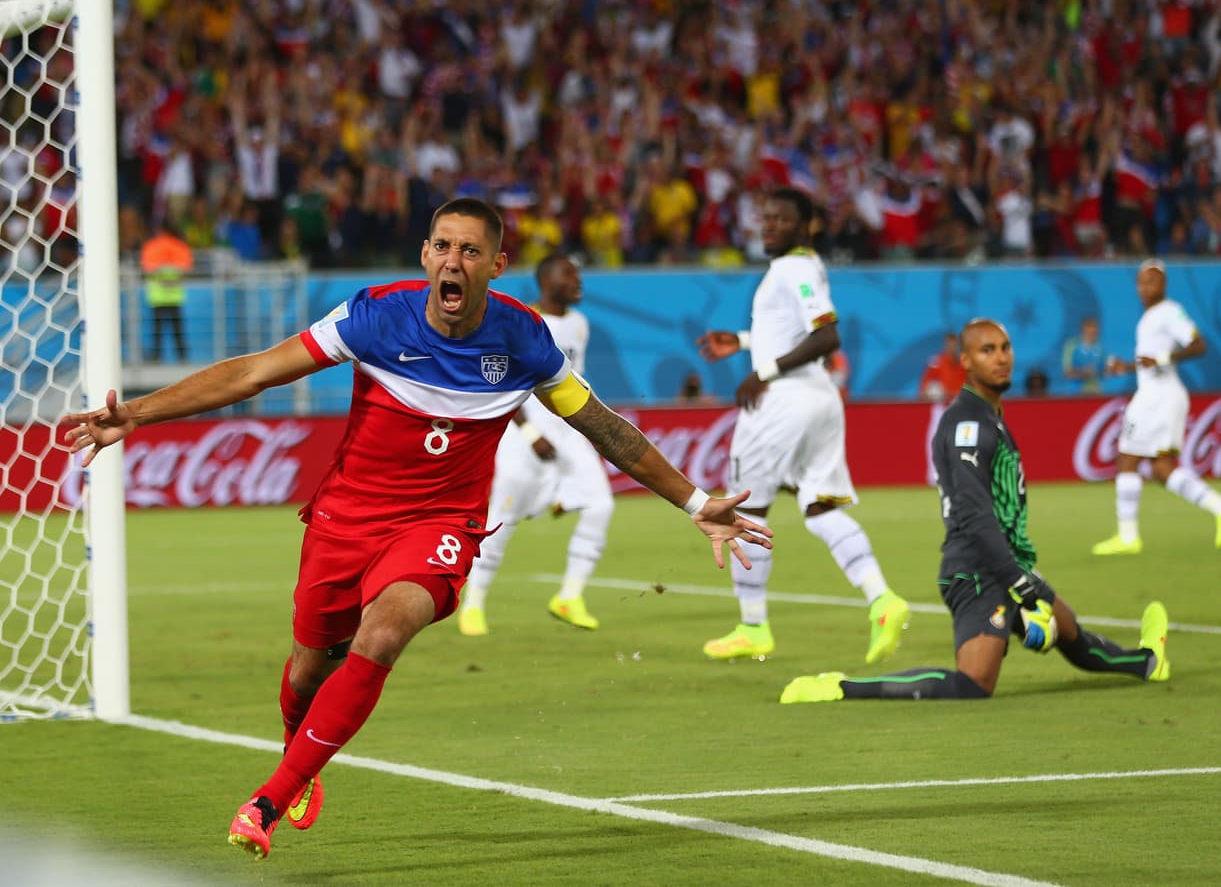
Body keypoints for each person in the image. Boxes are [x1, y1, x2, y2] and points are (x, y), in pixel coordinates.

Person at [63, 198, 772, 861]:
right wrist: (139, 412)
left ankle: (265, 802)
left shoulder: (526, 340)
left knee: (382, 632)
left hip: (439, 523)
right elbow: (254, 372)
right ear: (426, 253)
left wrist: (694, 499)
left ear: (496, 264)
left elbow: (604, 426)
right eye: (442, 246)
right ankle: (299, 751)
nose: (453, 261)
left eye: (470, 249)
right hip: (346, 517)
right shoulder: (375, 317)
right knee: (310, 662)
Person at [779, 318, 1171, 704]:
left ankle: (1149, 660)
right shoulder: (967, 424)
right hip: (977, 570)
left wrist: (1022, 581)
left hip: (1007, 563)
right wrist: (1021, 587)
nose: (1000, 358)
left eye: (1005, 348)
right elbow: (975, 516)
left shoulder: (989, 417)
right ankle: (840, 688)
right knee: (974, 683)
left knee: (1073, 638)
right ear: (965, 361)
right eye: (987, 350)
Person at [695, 187, 910, 664]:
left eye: (780, 219)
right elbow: (793, 330)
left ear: (805, 225)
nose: (768, 225)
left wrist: (763, 371)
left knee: (741, 510)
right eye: (765, 217)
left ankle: (753, 626)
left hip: (784, 403)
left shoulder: (792, 267)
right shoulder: (805, 267)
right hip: (820, 400)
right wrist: (747, 339)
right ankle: (883, 600)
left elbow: (827, 336)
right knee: (820, 508)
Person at [456, 253, 613, 635]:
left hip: (567, 431)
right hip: (524, 434)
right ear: (546, 281)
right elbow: (501, 384)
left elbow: (575, 381)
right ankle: (473, 604)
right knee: (500, 522)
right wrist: (530, 433)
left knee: (600, 504)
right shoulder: (523, 321)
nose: (578, 281)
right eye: (569, 274)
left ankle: (569, 596)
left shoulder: (579, 324)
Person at [1092, 260, 1221, 555]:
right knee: (1161, 469)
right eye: (1141, 282)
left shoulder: (1169, 311)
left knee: (1127, 458)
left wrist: (1162, 359)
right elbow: (1150, 359)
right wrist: (1127, 366)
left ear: (1163, 285)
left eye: (1152, 281)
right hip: (1158, 394)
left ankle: (1127, 537)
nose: (1145, 288)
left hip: (1158, 397)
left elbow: (1198, 345)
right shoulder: (1150, 317)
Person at [140, 218, 194, 361]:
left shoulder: (151, 246)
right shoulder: (180, 246)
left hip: (157, 295)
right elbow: (187, 267)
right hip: (175, 294)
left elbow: (146, 267)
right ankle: (182, 357)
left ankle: (156, 357)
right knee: (178, 329)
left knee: (157, 329)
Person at [1060, 315, 1106, 394]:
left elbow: (1104, 372)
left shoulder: (1100, 348)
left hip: (1095, 392)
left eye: (1095, 332)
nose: (1093, 335)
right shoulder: (1071, 346)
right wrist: (1083, 372)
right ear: (1083, 331)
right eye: (1090, 332)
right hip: (1075, 393)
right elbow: (1067, 372)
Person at [917, 332, 966, 403]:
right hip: (940, 403)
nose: (952, 348)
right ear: (945, 345)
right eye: (949, 345)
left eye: (954, 345)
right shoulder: (936, 362)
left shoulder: (962, 365)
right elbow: (924, 386)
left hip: (957, 402)